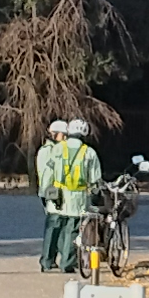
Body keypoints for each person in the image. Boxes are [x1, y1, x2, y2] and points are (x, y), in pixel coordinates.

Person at [35, 117, 102, 274]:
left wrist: (45, 192)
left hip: (57, 196)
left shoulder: (57, 149)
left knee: (53, 228)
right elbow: (95, 180)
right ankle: (67, 263)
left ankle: (46, 261)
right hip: (77, 198)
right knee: (72, 230)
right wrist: (95, 196)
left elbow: (48, 173)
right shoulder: (89, 153)